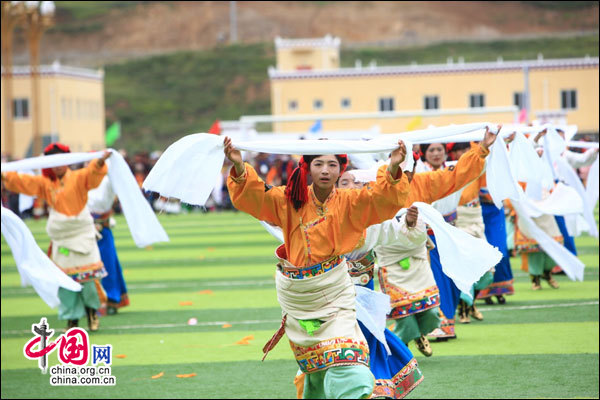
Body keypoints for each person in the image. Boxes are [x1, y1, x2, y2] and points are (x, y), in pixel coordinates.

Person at [225, 136, 409, 399]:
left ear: (340, 169)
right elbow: (255, 198)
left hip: (336, 293)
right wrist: (240, 167)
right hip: (301, 299)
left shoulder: (350, 201)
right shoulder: (287, 200)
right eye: (319, 164)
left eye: (332, 165)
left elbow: (382, 200)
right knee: (317, 367)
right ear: (307, 168)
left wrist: (393, 169)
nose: (325, 170)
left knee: (348, 358)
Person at [1, 143, 111, 331]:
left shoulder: (78, 177)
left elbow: (92, 174)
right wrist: (4, 173)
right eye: (54, 161)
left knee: (89, 280)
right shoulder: (45, 183)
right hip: (62, 238)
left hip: (82, 234)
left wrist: (99, 161)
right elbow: (23, 182)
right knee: (65, 282)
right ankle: (72, 318)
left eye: (61, 160)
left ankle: (92, 312)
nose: (58, 165)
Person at [87, 174, 130, 315]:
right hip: (85, 229)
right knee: (86, 266)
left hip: (103, 230)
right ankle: (91, 301)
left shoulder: (107, 180)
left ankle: (110, 300)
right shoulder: (82, 178)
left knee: (108, 264)